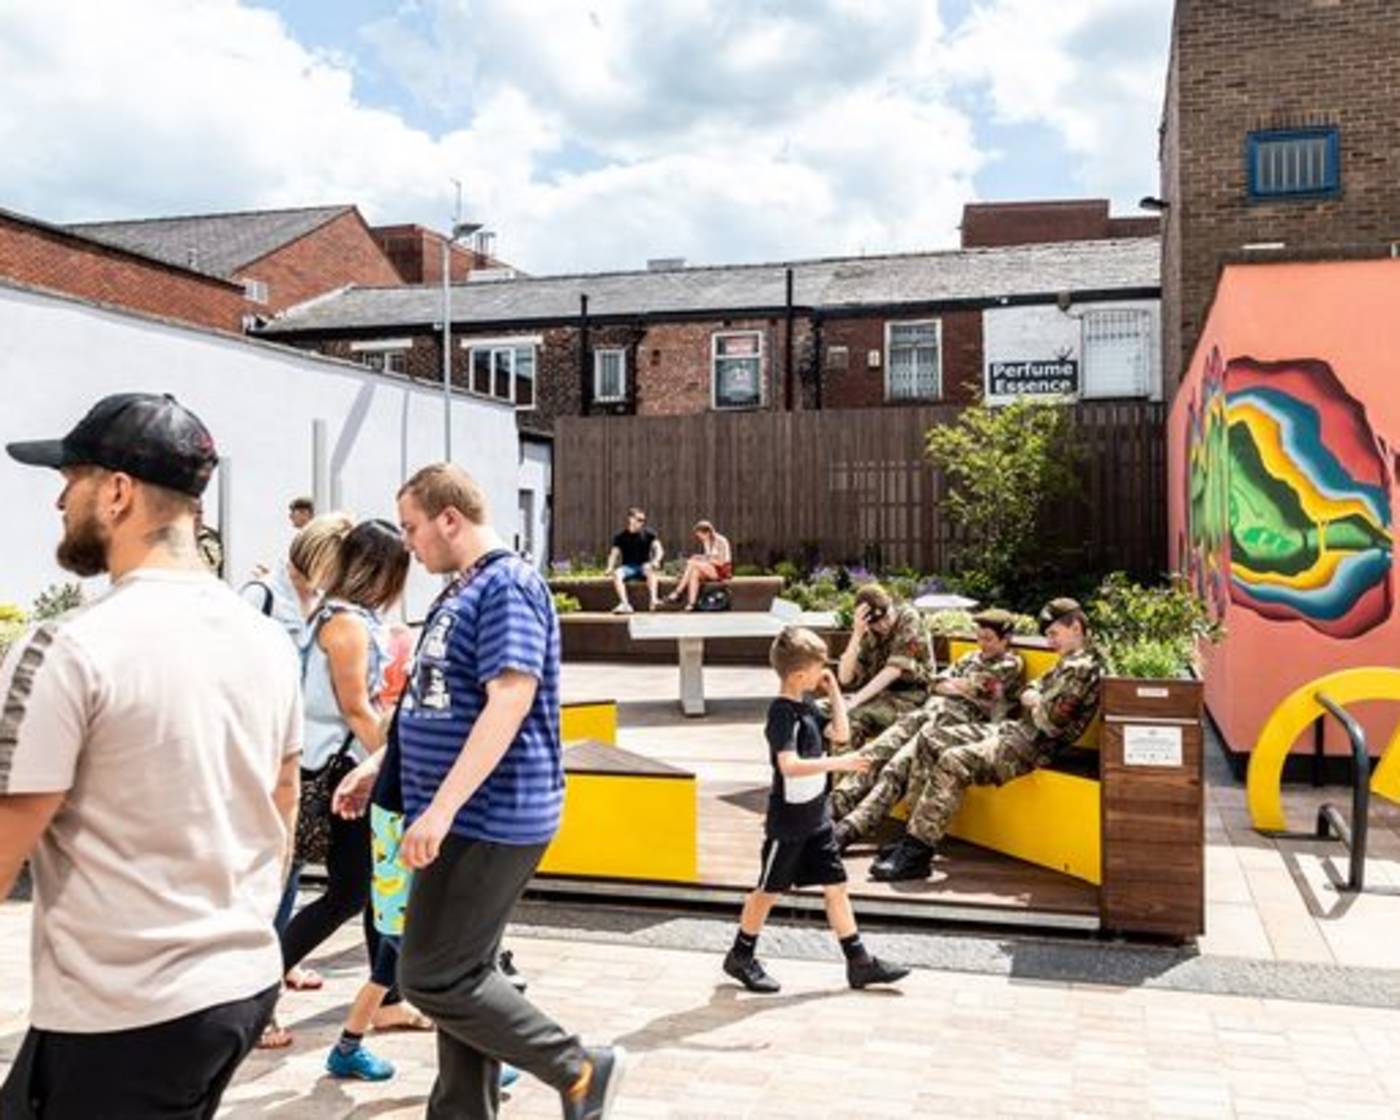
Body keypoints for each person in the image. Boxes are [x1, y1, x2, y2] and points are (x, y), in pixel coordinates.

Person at [0, 392, 301, 1118]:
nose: (59, 503)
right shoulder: (265, 638)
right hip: (240, 985)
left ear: (117, 492)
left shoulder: (67, 646)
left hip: (123, 1015)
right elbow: (282, 800)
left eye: (69, 480)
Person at [334, 462, 624, 1119]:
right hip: (464, 812)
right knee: (467, 974)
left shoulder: (507, 586)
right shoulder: (460, 591)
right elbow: (433, 700)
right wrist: (379, 764)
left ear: (449, 518)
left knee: (430, 975)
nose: (407, 542)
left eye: (412, 527)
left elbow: (510, 698)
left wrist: (440, 808)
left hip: (490, 816)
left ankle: (579, 1067)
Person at [272, 519, 416, 1061]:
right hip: (338, 774)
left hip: (346, 768)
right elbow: (356, 707)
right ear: (382, 571)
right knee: (352, 890)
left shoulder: (344, 616)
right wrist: (397, 758)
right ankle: (258, 990)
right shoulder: (346, 624)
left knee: (375, 888)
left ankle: (389, 999)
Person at [722, 627, 909, 995]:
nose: (824, 670)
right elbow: (789, 765)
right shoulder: (781, 714)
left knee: (836, 887)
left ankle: (859, 963)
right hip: (789, 822)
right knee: (767, 891)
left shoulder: (806, 707)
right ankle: (741, 955)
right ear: (797, 675)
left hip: (817, 819)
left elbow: (840, 734)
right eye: (818, 667)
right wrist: (839, 765)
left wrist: (834, 691)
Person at [868, 597, 1105, 883]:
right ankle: (913, 835)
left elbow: (1051, 723)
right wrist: (1034, 697)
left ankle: (918, 854)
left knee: (954, 760)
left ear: (1076, 627)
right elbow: (1031, 689)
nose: (1049, 640)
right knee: (931, 739)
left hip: (1033, 747)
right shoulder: (1068, 662)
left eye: (1054, 633)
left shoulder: (1083, 667)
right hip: (1015, 730)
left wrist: (1034, 699)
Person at [831, 608, 1026, 848]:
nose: (981, 643)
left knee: (897, 767)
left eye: (988, 639)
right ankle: (836, 805)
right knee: (878, 751)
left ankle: (850, 828)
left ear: (1006, 640)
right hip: (928, 714)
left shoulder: (1010, 663)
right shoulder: (970, 658)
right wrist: (960, 686)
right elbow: (935, 684)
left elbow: (980, 688)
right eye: (979, 636)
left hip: (954, 725)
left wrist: (960, 685)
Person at [833, 583, 936, 748]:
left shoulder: (908, 618)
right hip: (879, 696)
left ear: (891, 605)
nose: (883, 626)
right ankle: (839, 770)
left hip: (911, 697)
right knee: (823, 712)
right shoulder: (869, 633)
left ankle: (847, 771)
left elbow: (894, 670)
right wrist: (857, 633)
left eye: (886, 617)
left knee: (851, 718)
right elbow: (845, 678)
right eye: (875, 623)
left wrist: (853, 702)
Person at [241, 511, 353, 641]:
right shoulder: (260, 594)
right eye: (335, 567)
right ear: (316, 558)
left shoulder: (326, 601)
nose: (340, 575)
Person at [605, 507, 664, 614]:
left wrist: (656, 560)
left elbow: (659, 549)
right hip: (629, 567)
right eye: (639, 519)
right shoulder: (621, 536)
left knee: (650, 569)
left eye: (643, 520)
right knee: (617, 574)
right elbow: (613, 554)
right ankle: (625, 604)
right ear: (631, 519)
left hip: (644, 566)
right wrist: (609, 567)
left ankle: (653, 600)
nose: (641, 522)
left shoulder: (649, 534)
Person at [664, 518, 732, 610]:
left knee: (692, 564)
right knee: (694, 572)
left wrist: (702, 560)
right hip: (712, 568)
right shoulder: (706, 541)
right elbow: (709, 557)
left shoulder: (721, 541)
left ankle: (677, 592)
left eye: (700, 535)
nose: (700, 538)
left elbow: (721, 562)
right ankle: (691, 604)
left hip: (722, 570)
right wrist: (700, 557)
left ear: (707, 533)